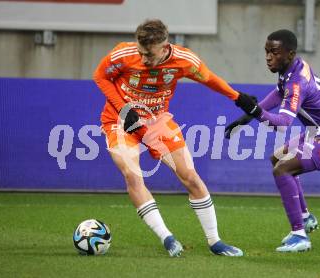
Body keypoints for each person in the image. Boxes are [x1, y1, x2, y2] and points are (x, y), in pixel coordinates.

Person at [93, 19, 257, 257]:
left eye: (149, 54)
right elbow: (101, 77)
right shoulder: (123, 54)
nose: (144, 59)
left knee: (190, 176)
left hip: (158, 122)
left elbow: (209, 78)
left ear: (164, 46)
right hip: (120, 122)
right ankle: (167, 238)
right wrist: (124, 110)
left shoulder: (184, 60)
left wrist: (237, 97)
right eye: (141, 53)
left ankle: (215, 241)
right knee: (132, 175)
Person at [225, 29, 320, 252]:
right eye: (266, 51)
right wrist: (245, 118)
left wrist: (255, 111)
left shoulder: (297, 83)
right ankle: (305, 218)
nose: (268, 57)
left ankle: (300, 236)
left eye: (274, 52)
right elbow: (278, 93)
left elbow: (282, 123)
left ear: (290, 53)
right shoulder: (294, 67)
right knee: (276, 158)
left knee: (283, 169)